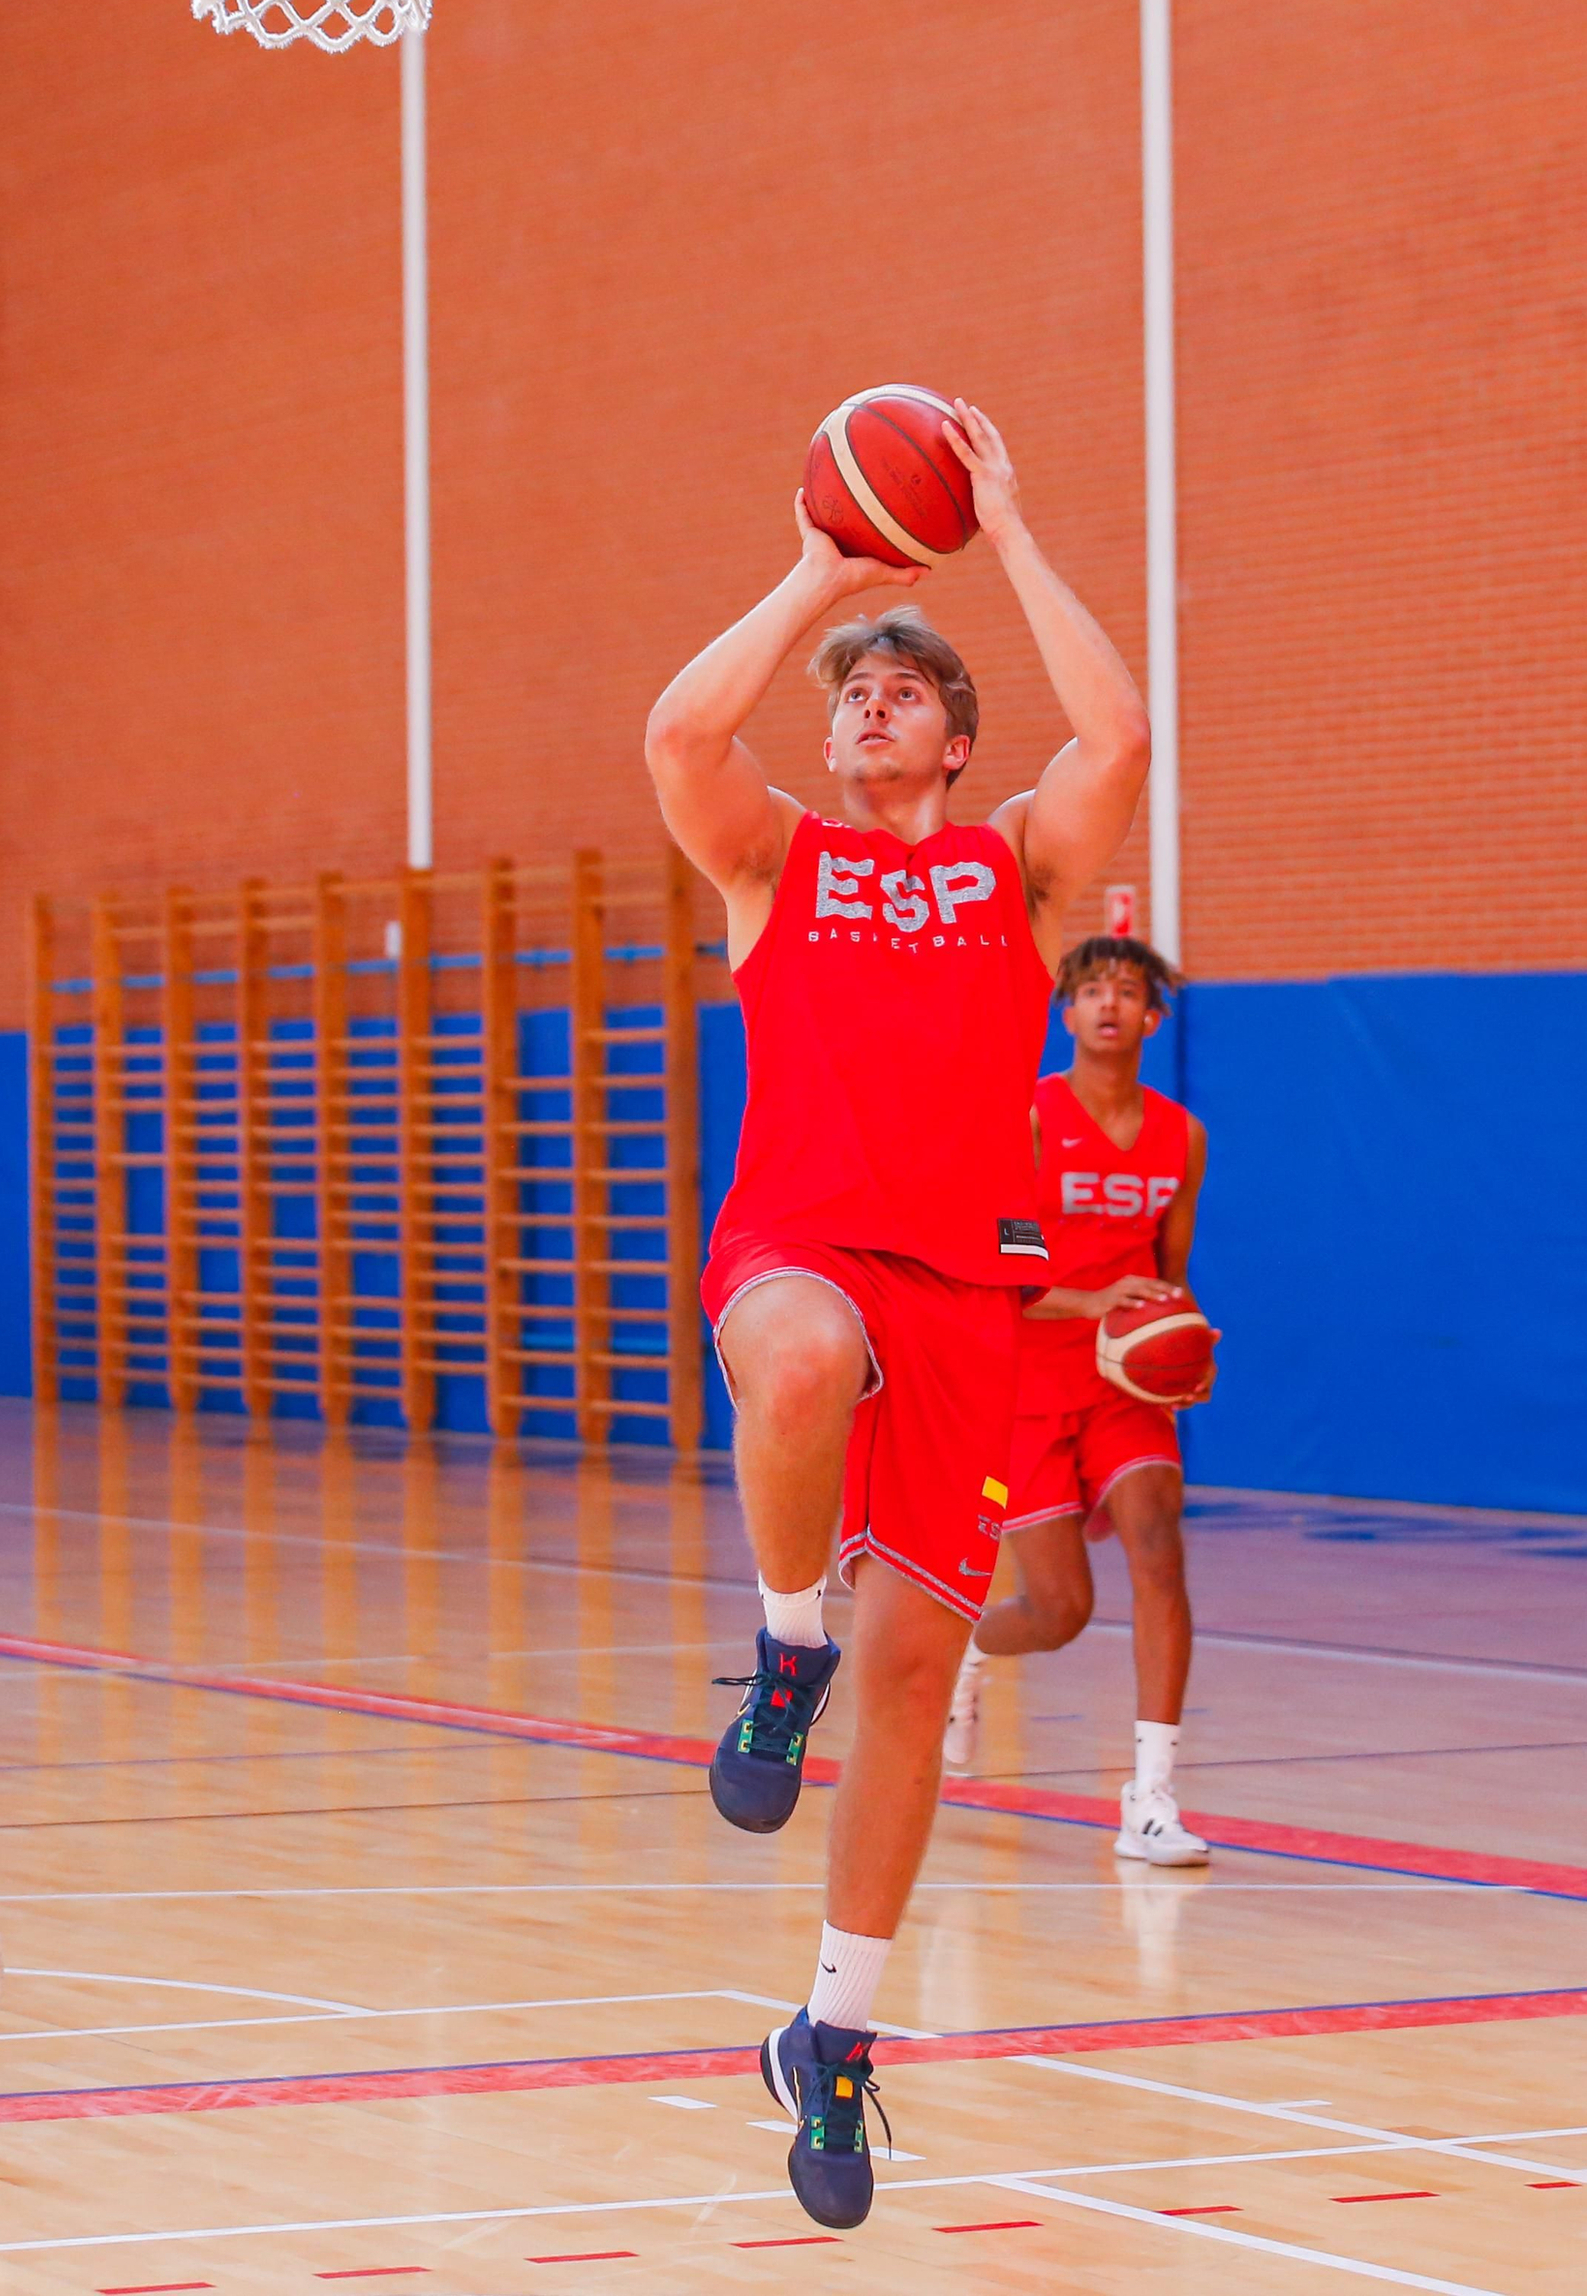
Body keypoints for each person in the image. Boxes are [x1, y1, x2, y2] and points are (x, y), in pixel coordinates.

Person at [643, 402, 1149, 2231]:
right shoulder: (779, 858)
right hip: (801, 1244)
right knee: (790, 1356)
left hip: (962, 1297)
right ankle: (787, 1642)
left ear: (955, 735)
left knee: (923, 1679)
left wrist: (1003, 525)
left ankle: (834, 2033)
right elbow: (681, 730)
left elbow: (1123, 733)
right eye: (853, 692)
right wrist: (814, 573)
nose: (867, 708)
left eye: (903, 691)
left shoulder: (1011, 871)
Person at [943, 935, 1214, 1868]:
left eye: (1127, 992)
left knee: (1159, 1545)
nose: (1108, 1004)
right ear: (1066, 1013)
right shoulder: (1029, 1118)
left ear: (1153, 1019)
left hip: (1122, 1386)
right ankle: (968, 1653)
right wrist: (1090, 1299)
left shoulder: (1183, 1136)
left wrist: (1180, 1346)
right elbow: (1003, 1266)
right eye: (1091, 989)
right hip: (1030, 1376)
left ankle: (1152, 1796)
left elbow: (1171, 1279)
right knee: (1059, 1611)